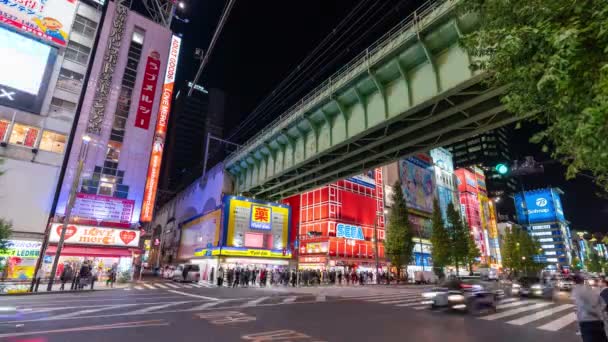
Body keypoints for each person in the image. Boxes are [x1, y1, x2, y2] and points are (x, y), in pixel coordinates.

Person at [572, 274, 608, 342]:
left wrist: (595, 312)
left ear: (574, 282)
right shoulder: (592, 290)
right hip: (598, 322)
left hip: (587, 322)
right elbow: (603, 303)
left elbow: (584, 307)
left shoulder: (577, 291)